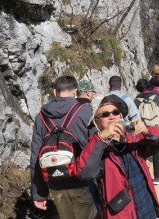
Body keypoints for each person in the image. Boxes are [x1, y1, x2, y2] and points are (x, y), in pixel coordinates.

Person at [74, 94, 159, 219]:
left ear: (121, 115)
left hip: (146, 205)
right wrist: (102, 137)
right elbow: (83, 172)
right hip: (121, 213)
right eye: (104, 115)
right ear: (96, 121)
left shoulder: (132, 137)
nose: (111, 116)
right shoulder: (95, 146)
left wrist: (147, 131)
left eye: (115, 112)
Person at [30, 75, 97, 219]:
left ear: (55, 92)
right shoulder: (86, 110)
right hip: (82, 182)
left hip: (55, 184)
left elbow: (35, 155)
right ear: (75, 92)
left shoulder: (41, 117)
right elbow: (95, 145)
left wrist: (38, 193)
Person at [134, 79, 159, 185]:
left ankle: (143, 175)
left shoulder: (136, 101)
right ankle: (157, 177)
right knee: (156, 152)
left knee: (143, 153)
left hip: (143, 130)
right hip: (157, 128)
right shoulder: (157, 98)